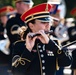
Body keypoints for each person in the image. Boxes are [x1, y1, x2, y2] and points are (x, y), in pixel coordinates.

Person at [12, 3, 72, 75]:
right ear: (31, 25)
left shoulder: (54, 44)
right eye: (43, 22)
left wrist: (51, 45)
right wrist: (28, 50)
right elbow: (16, 72)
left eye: (49, 22)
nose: (48, 25)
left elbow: (67, 62)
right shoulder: (19, 45)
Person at [6, 0, 34, 71]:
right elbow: (18, 35)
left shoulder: (29, 20)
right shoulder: (13, 21)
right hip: (17, 56)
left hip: (30, 57)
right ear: (18, 5)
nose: (29, 6)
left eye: (29, 4)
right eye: (26, 4)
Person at [0, 6, 15, 75]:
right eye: (6, 16)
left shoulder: (14, 27)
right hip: (2, 62)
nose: (9, 18)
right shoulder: (0, 28)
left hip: (12, 60)